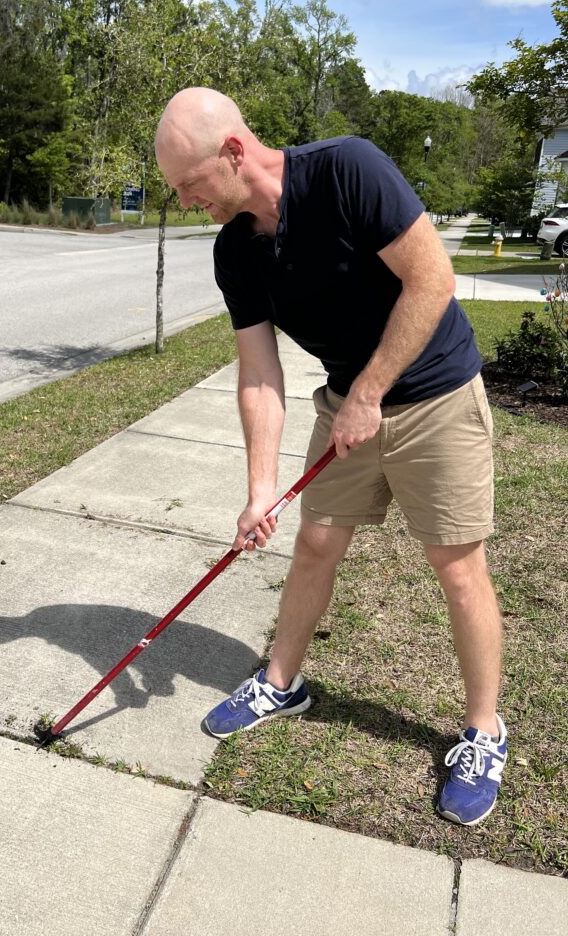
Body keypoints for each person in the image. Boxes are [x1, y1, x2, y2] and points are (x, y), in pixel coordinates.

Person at [154, 86, 507, 827]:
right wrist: (261, 490)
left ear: (233, 152)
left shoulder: (349, 170)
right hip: (352, 403)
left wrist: (371, 391)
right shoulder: (235, 251)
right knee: (314, 543)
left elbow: (432, 278)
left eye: (189, 185)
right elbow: (259, 372)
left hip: (436, 393)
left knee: (456, 566)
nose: (186, 201)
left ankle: (483, 733)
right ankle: (282, 682)